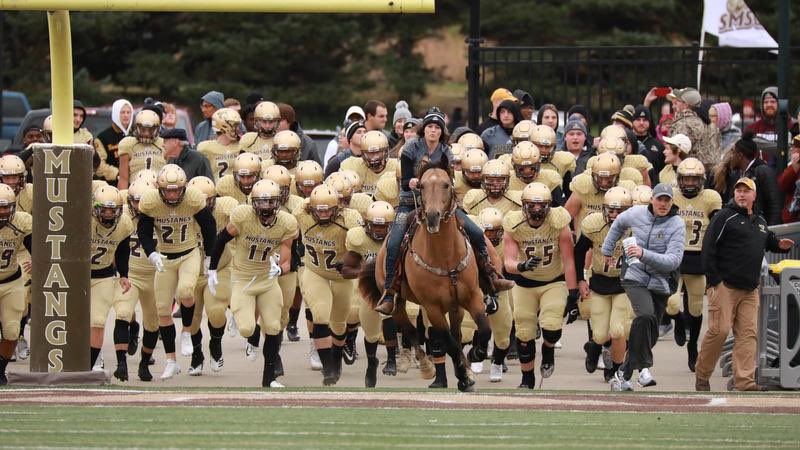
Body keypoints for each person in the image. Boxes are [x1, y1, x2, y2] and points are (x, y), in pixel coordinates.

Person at [374, 109, 514, 315]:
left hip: (442, 205)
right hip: (411, 202)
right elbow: (404, 181)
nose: (433, 130)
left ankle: (491, 276)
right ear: (424, 130)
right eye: (430, 127)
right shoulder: (411, 147)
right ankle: (389, 291)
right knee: (394, 240)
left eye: (437, 128)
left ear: (442, 132)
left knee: (476, 233)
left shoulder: (446, 151)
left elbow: (450, 181)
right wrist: (411, 181)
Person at [695, 177, 794, 391]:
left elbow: (766, 240)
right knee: (719, 331)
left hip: (750, 288)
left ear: (754, 196)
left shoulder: (759, 220)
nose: (741, 194)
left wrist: (780, 245)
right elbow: (708, 248)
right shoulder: (724, 217)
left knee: (748, 335)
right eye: (738, 190)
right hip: (725, 286)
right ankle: (702, 376)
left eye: (746, 191)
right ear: (734, 194)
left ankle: (745, 382)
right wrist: (714, 281)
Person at [210, 180, 297, 388]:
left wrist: (280, 268)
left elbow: (287, 257)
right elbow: (221, 239)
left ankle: (269, 379)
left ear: (278, 202)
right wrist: (212, 268)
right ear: (252, 202)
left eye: (270, 202)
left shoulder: (287, 222)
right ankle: (254, 338)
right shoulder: (242, 216)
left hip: (267, 281)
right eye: (261, 202)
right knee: (247, 329)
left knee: (274, 327)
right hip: (242, 279)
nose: (265, 207)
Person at [136, 164, 217, 380]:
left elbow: (209, 227)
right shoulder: (150, 201)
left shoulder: (193, 198)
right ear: (160, 189)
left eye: (176, 190)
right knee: (163, 309)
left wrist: (209, 257)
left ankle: (187, 331)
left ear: (183, 188)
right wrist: (151, 253)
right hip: (164, 257)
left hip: (189, 253)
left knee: (186, 292)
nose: (172, 195)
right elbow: (143, 231)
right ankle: (171, 360)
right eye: (168, 191)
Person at [602, 183, 685, 391]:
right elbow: (619, 222)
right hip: (634, 275)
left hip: (661, 280)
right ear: (652, 200)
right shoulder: (637, 213)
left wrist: (643, 253)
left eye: (667, 200)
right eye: (660, 199)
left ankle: (622, 374)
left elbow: (673, 261)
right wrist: (607, 249)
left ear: (672, 202)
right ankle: (645, 369)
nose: (663, 204)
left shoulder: (677, 224)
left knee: (650, 335)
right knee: (645, 316)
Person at [502, 182, 578, 388]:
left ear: (549, 205)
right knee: (524, 334)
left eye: (541, 205)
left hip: (553, 281)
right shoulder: (513, 223)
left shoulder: (559, 221)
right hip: (524, 285)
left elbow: (569, 260)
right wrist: (522, 265)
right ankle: (527, 380)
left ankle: (548, 348)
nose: (537, 210)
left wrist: (573, 293)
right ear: (523, 205)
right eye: (532, 205)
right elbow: (507, 262)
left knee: (552, 326)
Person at [295, 184, 362, 385]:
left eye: (327, 209)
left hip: (342, 276)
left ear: (337, 208)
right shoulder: (302, 213)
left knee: (340, 323)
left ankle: (336, 358)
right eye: (319, 209)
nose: (323, 214)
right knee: (320, 315)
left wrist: (351, 261)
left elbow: (361, 245)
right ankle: (328, 369)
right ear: (311, 208)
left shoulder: (350, 219)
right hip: (315, 271)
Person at [574, 186, 635, 384]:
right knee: (600, 335)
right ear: (604, 209)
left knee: (617, 330)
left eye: (621, 211)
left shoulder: (637, 227)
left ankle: (616, 371)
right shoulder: (594, 224)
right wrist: (581, 279)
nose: (615, 215)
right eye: (612, 210)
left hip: (624, 284)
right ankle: (593, 347)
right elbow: (579, 251)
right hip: (599, 283)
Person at [667, 158, 721, 371]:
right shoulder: (671, 196)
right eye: (686, 178)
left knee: (696, 308)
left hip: (698, 256)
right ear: (679, 179)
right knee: (670, 303)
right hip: (674, 256)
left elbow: (717, 230)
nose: (689, 183)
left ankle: (692, 346)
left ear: (701, 180)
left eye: (694, 178)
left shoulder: (710, 198)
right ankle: (678, 320)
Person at [0, 184, 32, 386]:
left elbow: (35, 246)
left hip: (12, 280)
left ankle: (1, 369)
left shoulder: (22, 221)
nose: (3, 211)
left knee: (12, 330)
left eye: (6, 207)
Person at [724, 131, 782, 225]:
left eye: (733, 153)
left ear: (740, 156)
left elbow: (775, 205)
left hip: (760, 228)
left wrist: (771, 230)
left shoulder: (763, 172)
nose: (730, 157)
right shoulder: (736, 174)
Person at [667, 87, 720, 172]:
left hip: (688, 171)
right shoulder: (707, 124)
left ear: (686, 105)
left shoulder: (683, 124)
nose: (675, 103)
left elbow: (676, 151)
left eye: (678, 100)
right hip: (706, 171)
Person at [117, 109, 166, 189]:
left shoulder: (164, 143)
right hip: (135, 190)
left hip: (159, 191)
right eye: (143, 129)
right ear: (137, 127)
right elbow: (123, 178)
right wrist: (123, 196)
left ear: (157, 128)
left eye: (150, 130)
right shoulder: (128, 143)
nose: (146, 133)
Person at [745, 86, 788, 169]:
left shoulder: (790, 126)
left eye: (772, 101)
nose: (769, 105)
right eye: (766, 102)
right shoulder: (752, 128)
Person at [94, 99, 133, 184]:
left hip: (135, 182)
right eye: (122, 112)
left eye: (128, 112)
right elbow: (99, 165)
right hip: (112, 185)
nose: (126, 115)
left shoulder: (135, 134)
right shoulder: (103, 137)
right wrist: (119, 174)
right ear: (115, 114)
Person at [198, 108, 241, 182]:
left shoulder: (242, 145)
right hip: (215, 191)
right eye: (235, 125)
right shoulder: (205, 148)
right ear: (224, 126)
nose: (238, 129)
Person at [632, 105, 666, 184]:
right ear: (632, 121)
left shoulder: (658, 146)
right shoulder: (627, 143)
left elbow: (663, 172)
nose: (641, 123)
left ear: (649, 122)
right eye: (638, 119)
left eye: (645, 120)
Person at [777, 135, 800, 223]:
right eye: (793, 146)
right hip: (793, 218)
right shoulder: (794, 166)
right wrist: (794, 168)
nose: (792, 149)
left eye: (796, 147)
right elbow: (782, 185)